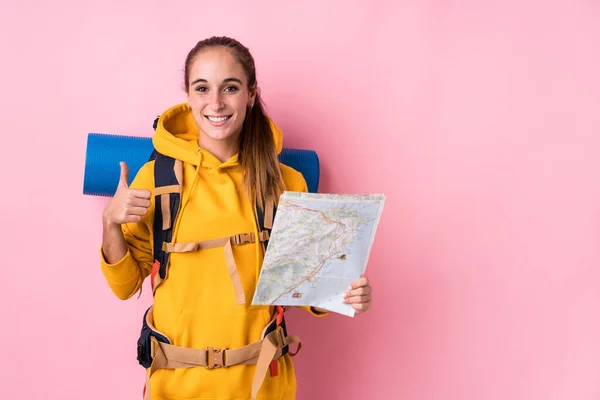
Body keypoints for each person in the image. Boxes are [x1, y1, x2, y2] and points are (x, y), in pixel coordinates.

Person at [100, 36, 373, 400]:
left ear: (251, 95)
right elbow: (124, 287)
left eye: (230, 87)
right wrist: (110, 222)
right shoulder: (157, 179)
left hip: (261, 387)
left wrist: (348, 293)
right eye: (202, 88)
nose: (215, 103)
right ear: (189, 96)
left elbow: (310, 290)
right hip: (175, 389)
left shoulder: (285, 183)